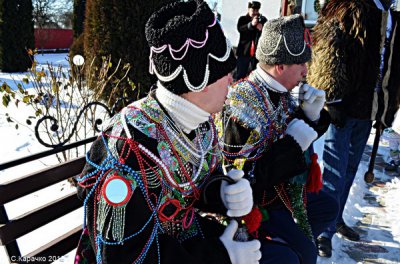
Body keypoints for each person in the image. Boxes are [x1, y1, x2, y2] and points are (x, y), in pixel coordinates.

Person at [74, 1, 261, 263]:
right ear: (199, 79)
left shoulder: (199, 123)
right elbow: (120, 254)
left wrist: (220, 192)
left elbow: (197, 179)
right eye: (225, 72)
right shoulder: (129, 146)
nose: (233, 79)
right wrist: (218, 257)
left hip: (182, 242)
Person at [220, 14, 337, 264]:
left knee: (328, 207)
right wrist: (291, 147)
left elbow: (299, 131)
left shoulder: (279, 91)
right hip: (257, 204)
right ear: (280, 67)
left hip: (279, 191)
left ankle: (291, 245)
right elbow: (239, 177)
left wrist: (313, 116)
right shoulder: (241, 103)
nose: (306, 71)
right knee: (306, 253)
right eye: (301, 64)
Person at [307, 0, 400, 258]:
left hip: (368, 107)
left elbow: (393, 67)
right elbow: (328, 50)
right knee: (335, 171)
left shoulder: (391, 16)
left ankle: (334, 218)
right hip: (344, 105)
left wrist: (386, 109)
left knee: (350, 168)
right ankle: (322, 230)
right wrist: (332, 97)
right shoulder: (350, 7)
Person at [235, 1, 267, 80]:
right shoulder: (243, 19)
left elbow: (268, 33)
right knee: (240, 75)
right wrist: (251, 25)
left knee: (256, 77)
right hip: (244, 52)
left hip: (257, 54)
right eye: (253, 10)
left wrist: (262, 29)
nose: (255, 13)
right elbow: (240, 29)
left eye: (257, 10)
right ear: (248, 9)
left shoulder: (263, 20)